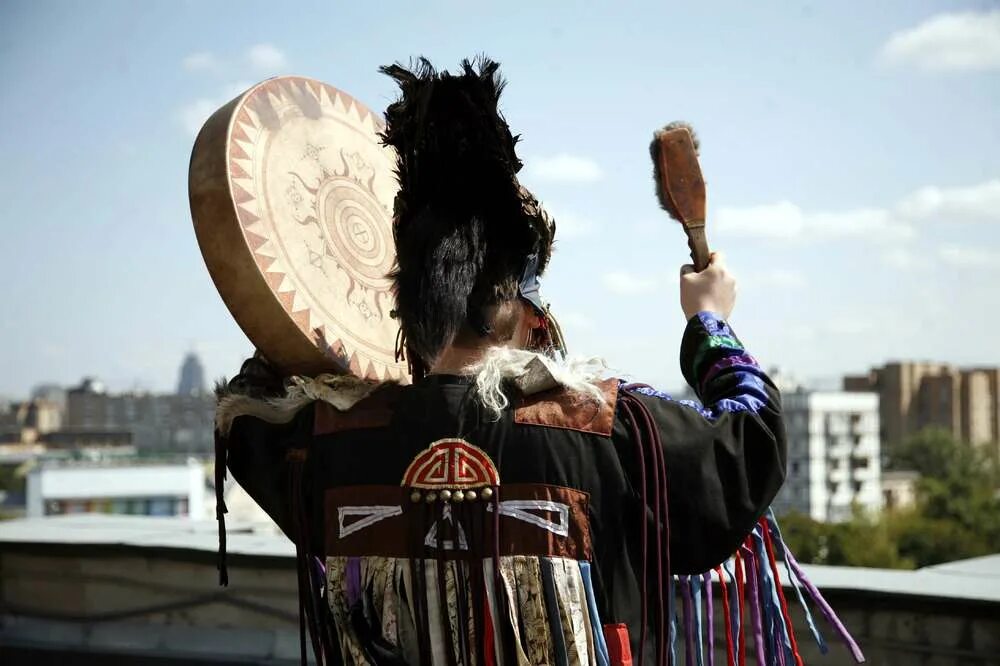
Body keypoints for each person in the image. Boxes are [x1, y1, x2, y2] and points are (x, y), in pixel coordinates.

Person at [214, 57, 855, 666]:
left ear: (402, 304)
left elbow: (248, 407)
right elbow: (754, 441)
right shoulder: (610, 432)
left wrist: (322, 300)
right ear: (524, 313)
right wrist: (710, 322)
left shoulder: (326, 444)